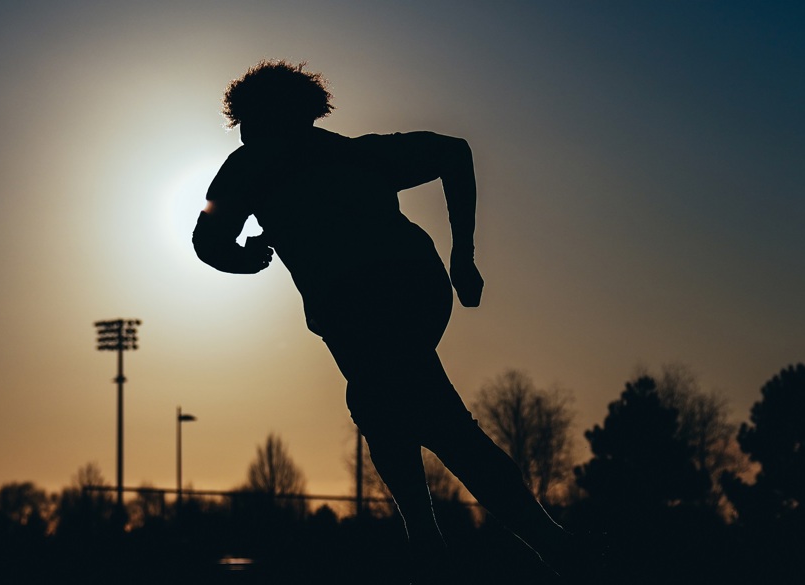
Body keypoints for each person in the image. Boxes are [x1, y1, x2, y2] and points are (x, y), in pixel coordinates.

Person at [193, 60, 575, 582]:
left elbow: (206, 241)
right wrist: (462, 256)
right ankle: (449, 544)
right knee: (384, 407)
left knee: (430, 421)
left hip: (365, 298)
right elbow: (453, 152)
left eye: (245, 125)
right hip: (414, 287)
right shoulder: (355, 151)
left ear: (259, 119)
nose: (243, 135)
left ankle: (538, 548)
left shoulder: (250, 164)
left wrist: (242, 257)